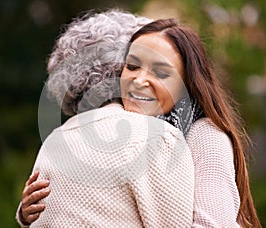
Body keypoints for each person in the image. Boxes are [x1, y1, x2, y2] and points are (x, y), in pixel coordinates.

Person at [17, 12, 262, 228]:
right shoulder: (118, 131)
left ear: (187, 85)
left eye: (161, 72)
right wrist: (29, 213)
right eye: (132, 66)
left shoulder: (204, 136)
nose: (139, 80)